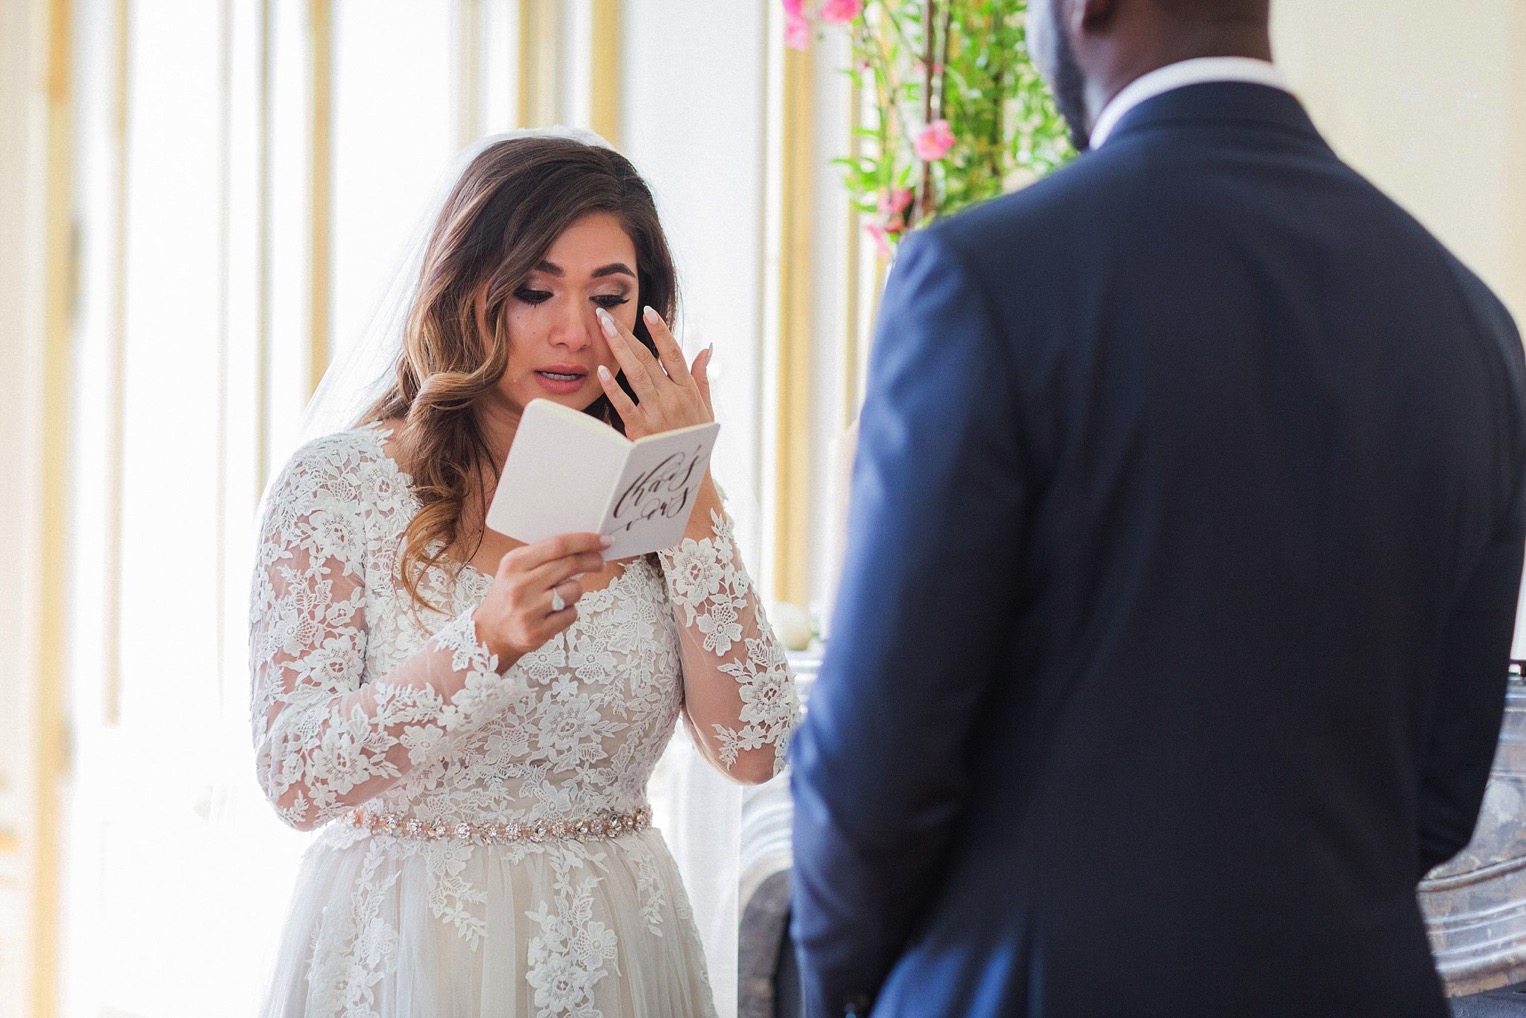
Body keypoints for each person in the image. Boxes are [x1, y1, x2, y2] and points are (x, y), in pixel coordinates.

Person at [788, 0, 1526, 1015]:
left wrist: (838, 991)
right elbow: (1445, 788)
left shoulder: (983, 279)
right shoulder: (1468, 322)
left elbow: (873, 763)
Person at [248, 132, 797, 1017]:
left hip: (621, 953)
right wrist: (480, 643)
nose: (575, 332)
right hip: (412, 959)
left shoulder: (657, 491)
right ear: (466, 288)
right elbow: (295, 776)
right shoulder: (338, 486)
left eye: (609, 297)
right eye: (535, 291)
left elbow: (754, 748)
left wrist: (687, 490)